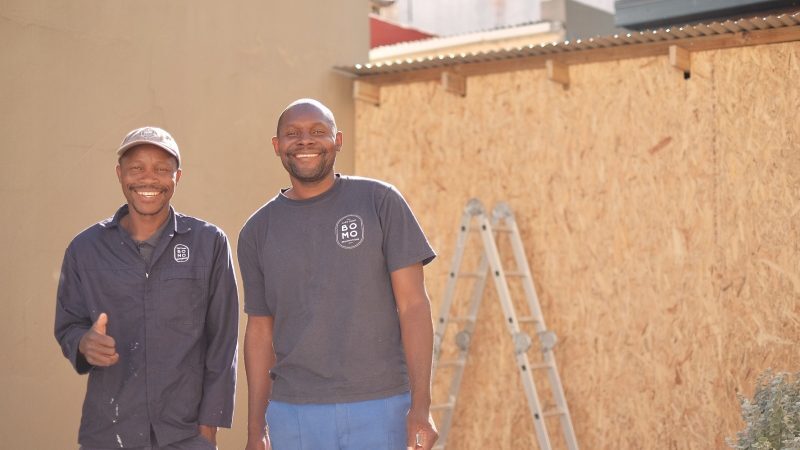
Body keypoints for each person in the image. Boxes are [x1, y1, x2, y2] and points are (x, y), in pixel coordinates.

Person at [238, 99, 439, 450]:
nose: (305, 141)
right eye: (292, 134)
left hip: (383, 404)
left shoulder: (380, 202)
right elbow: (259, 331)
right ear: (277, 146)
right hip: (293, 412)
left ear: (338, 140)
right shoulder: (257, 231)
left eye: (318, 131)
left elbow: (414, 307)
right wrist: (256, 428)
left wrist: (420, 407)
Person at [54, 126, 239, 450]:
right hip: (108, 433)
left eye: (161, 169)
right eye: (136, 168)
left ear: (177, 177)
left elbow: (223, 342)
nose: (148, 179)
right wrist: (84, 343)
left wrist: (209, 428)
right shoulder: (84, 249)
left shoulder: (209, 243)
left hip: (185, 435)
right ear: (119, 174)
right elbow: (68, 325)